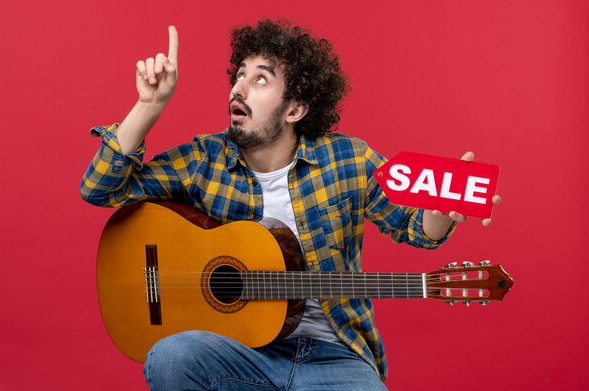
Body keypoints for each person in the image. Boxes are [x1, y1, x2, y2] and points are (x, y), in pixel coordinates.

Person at [80, 20, 501, 391]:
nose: (238, 88)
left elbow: (412, 228)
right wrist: (148, 106)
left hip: (334, 358)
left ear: (295, 108)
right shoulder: (203, 161)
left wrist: (437, 217)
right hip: (240, 354)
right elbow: (99, 189)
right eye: (239, 75)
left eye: (260, 80)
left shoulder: (348, 160)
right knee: (171, 356)